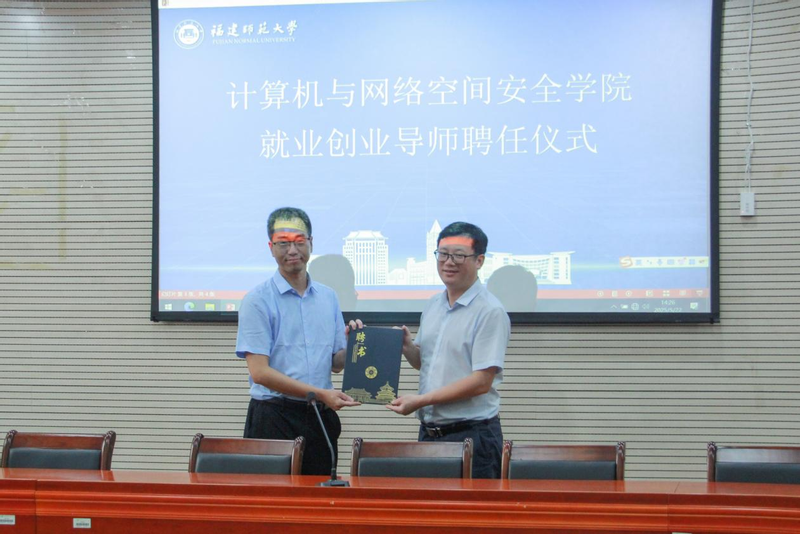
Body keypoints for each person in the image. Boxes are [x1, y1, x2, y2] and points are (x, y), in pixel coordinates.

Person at [235, 207, 360, 476]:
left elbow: (336, 363)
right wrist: (319, 394)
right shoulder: (257, 301)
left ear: (310, 243)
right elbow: (260, 373)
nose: (292, 250)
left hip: (318, 418)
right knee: (272, 498)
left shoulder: (328, 298)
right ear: (271, 247)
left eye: (299, 241)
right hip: (273, 418)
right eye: (283, 243)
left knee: (321, 495)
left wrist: (355, 346)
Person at [388, 222, 511, 479]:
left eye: (458, 255)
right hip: (429, 433)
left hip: (473, 437)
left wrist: (420, 400)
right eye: (443, 254)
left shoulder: (490, 311)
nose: (448, 262)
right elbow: (425, 362)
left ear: (479, 260)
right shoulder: (434, 304)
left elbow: (481, 382)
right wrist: (407, 347)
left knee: (473, 506)